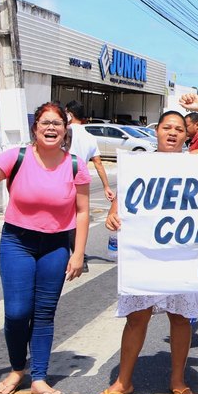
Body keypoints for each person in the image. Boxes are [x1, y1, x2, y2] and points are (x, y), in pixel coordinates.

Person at [96, 93, 198, 394]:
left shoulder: (193, 161)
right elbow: (121, 202)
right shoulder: (139, 164)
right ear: (156, 131)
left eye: (178, 129)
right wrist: (113, 216)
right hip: (146, 255)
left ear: (187, 136)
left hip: (181, 255)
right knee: (137, 317)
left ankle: (177, 379)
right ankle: (123, 381)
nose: (171, 132)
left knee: (180, 319)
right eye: (166, 127)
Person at [0, 102, 91, 394]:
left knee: (44, 313)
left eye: (57, 123)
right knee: (16, 312)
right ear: (35, 127)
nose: (51, 128)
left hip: (55, 246)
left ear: (66, 130)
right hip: (17, 241)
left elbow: (81, 212)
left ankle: (39, 377)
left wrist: (77, 253)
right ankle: (17, 368)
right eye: (45, 123)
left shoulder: (76, 164)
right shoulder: (18, 156)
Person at [65, 100, 115, 272]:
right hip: (81, 181)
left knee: (64, 218)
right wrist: (106, 187)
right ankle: (78, 254)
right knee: (77, 217)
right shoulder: (90, 137)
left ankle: (78, 256)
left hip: (63, 178)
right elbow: (99, 164)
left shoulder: (65, 131)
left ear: (69, 114)